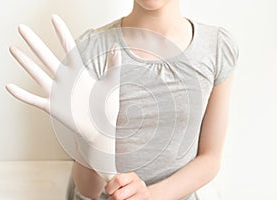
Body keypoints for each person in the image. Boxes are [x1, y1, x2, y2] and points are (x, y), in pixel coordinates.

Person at [70, 0, 239, 200]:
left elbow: (210, 157)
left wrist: (149, 196)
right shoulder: (92, 49)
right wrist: (94, 140)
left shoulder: (216, 47)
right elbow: (87, 190)